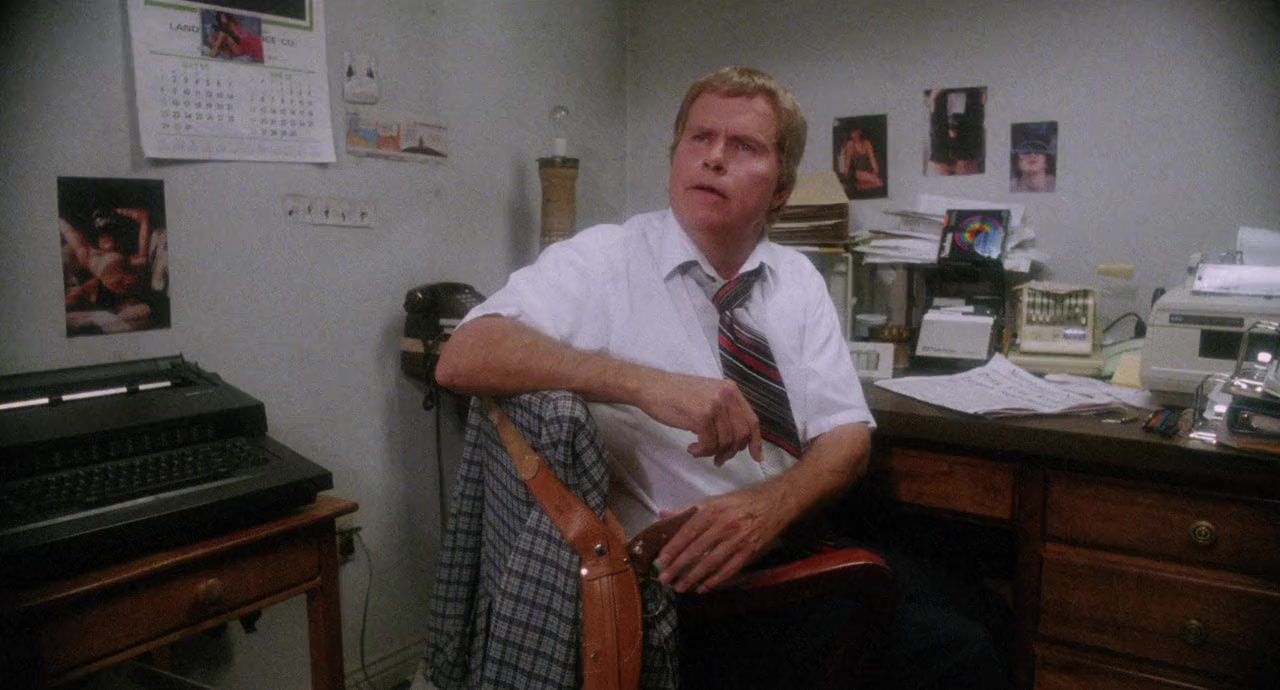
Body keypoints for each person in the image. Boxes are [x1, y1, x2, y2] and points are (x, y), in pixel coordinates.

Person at [436, 66, 1011, 689]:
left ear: (782, 188)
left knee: (993, 611)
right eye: (699, 138)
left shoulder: (796, 279)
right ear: (675, 156)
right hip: (696, 592)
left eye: (744, 146)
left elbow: (846, 436)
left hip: (791, 536)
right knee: (963, 654)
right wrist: (643, 384)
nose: (713, 158)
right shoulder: (605, 259)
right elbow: (463, 353)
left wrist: (770, 508)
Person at [60, 207, 155, 334]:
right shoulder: (91, 256)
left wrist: (136, 218)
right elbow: (70, 232)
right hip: (106, 297)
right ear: (97, 239)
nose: (108, 238)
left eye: (111, 233)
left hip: (127, 301)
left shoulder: (130, 259)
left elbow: (144, 219)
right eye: (103, 235)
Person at [837, 128, 885, 195]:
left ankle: (858, 186)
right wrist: (846, 175)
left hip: (866, 171)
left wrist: (875, 170)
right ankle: (856, 186)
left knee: (878, 182)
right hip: (855, 172)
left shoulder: (867, 143)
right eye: (853, 133)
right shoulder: (850, 144)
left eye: (856, 132)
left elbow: (872, 158)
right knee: (879, 183)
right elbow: (847, 162)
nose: (854, 135)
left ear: (860, 132)